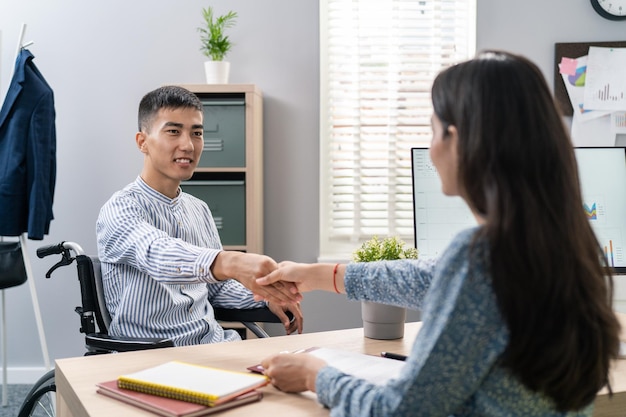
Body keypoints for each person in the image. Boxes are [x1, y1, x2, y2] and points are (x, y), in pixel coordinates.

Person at [256, 51, 621, 416]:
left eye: (432, 131)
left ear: (457, 139)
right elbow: (432, 278)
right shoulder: (561, 244)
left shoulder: (482, 257)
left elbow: (400, 411)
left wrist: (316, 376)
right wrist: (324, 275)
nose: (430, 150)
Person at [96, 85, 302, 346]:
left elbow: (217, 288)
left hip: (213, 345)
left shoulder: (198, 209)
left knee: (301, 372)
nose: (188, 145)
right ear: (142, 142)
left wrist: (263, 296)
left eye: (196, 133)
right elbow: (157, 253)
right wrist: (231, 262)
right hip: (154, 358)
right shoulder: (120, 209)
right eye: (173, 131)